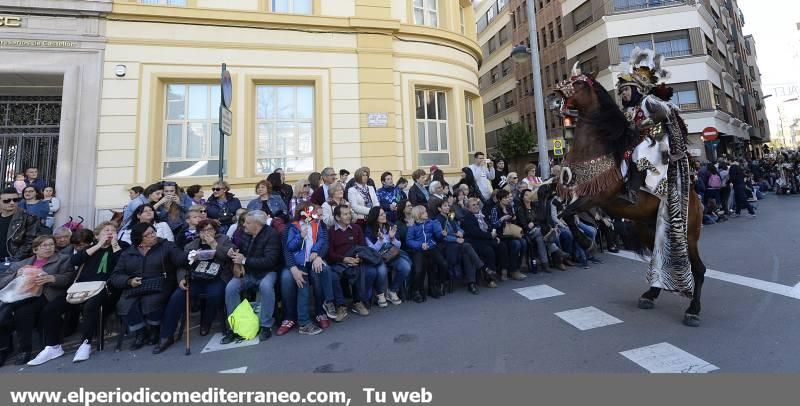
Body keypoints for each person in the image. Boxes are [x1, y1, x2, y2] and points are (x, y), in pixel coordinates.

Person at [27, 222, 127, 365]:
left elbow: (122, 263)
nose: (110, 232)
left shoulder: (122, 246)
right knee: (51, 308)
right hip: (80, 287)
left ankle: (85, 344)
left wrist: (115, 244)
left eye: (113, 230)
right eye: (106, 231)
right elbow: (74, 260)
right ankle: (53, 347)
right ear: (97, 235)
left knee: (90, 306)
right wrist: (99, 245)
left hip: (107, 287)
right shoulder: (90, 248)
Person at [154, 219, 233, 354]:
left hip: (217, 277)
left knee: (215, 294)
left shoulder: (224, 240)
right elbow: (183, 264)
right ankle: (166, 336)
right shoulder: (192, 244)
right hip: (196, 278)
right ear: (198, 232)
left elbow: (227, 257)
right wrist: (181, 279)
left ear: (215, 231)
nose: (207, 233)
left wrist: (214, 244)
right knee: (177, 296)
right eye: (203, 231)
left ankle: (206, 321)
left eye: (210, 230)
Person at [108, 223, 186, 351]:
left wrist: (188, 255)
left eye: (153, 232)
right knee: (125, 305)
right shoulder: (128, 253)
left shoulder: (165, 246)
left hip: (160, 283)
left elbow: (179, 258)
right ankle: (140, 333)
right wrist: (129, 281)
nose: (153, 235)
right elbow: (116, 275)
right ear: (139, 238)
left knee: (152, 302)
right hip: (135, 285)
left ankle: (154, 330)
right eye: (148, 234)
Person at [0, 235, 73, 366]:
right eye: (44, 245)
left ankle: (22, 350)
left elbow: (69, 278)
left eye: (51, 244)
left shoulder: (63, 259)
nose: (49, 248)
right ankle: (17, 349)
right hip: (22, 295)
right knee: (20, 311)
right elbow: (2, 281)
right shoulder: (23, 263)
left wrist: (52, 278)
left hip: (47, 295)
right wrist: (16, 274)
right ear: (35, 250)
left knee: (21, 311)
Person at [277, 203, 338, 336]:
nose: (320, 218)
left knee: (324, 269)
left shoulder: (318, 224)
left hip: (312, 261)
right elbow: (288, 248)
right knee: (302, 288)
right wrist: (300, 237)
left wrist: (317, 254)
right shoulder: (292, 227)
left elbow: (323, 241)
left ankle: (326, 304)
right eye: (317, 214)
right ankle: (301, 321)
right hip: (299, 264)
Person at [222, 210, 282, 344]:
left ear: (257, 225)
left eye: (247, 223)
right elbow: (240, 249)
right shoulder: (246, 233)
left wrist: (244, 260)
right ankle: (234, 327)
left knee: (266, 286)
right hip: (248, 273)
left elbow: (270, 261)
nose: (244, 225)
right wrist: (234, 251)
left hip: (267, 272)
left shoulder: (272, 235)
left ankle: (266, 325)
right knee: (231, 288)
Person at [327, 205, 378, 317]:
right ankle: (341, 306)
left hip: (355, 260)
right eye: (345, 214)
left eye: (349, 213)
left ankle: (358, 302)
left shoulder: (356, 228)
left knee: (366, 271)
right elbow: (330, 253)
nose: (349, 216)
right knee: (333, 276)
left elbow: (363, 247)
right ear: (337, 217)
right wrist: (344, 259)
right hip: (339, 262)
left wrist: (358, 258)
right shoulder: (331, 232)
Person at [364, 207, 409, 306]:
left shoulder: (390, 225)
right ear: (375, 217)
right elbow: (372, 250)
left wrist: (392, 238)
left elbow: (398, 246)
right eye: (381, 214)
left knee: (405, 267)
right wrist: (380, 241)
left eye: (384, 213)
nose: (384, 215)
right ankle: (380, 294)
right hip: (378, 257)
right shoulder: (369, 230)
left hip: (391, 255)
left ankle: (392, 290)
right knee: (382, 271)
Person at [434, 200, 481, 295]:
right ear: (439, 209)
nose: (447, 207)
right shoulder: (437, 220)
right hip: (448, 246)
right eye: (445, 206)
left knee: (467, 253)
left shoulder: (450, 217)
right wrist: (456, 239)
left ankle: (471, 283)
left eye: (448, 206)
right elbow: (443, 236)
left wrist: (461, 233)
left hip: (458, 244)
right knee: (467, 246)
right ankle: (481, 269)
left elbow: (459, 228)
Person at [406, 205, 448, 302]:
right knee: (419, 270)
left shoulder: (431, 223)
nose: (427, 213)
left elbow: (438, 235)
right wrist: (420, 245)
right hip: (419, 250)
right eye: (424, 212)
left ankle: (436, 285)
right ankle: (416, 291)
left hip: (431, 247)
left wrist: (442, 234)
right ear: (419, 215)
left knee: (443, 264)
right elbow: (409, 241)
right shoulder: (412, 227)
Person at [461, 197, 501, 287]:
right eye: (473, 205)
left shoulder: (482, 215)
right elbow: (475, 233)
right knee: (488, 251)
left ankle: (499, 272)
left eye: (477, 204)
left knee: (501, 246)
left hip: (485, 239)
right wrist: (491, 236)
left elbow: (489, 227)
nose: (476, 206)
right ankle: (489, 279)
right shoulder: (468, 217)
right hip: (475, 241)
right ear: (468, 208)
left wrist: (495, 236)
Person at [489, 189, 526, 281]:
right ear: (500, 199)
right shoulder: (495, 209)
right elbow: (493, 224)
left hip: (510, 233)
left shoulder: (510, 207)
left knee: (523, 243)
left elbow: (514, 221)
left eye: (507, 198)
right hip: (500, 235)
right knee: (513, 245)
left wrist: (513, 218)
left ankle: (516, 268)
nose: (507, 199)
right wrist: (502, 219)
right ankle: (509, 270)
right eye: (505, 198)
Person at [0, 187, 38, 265]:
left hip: (13, 262)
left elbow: (30, 242)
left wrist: (14, 260)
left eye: (15, 200)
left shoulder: (28, 218)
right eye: (7, 201)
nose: (12, 203)